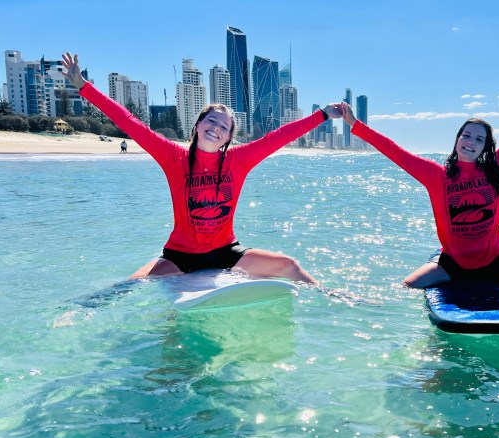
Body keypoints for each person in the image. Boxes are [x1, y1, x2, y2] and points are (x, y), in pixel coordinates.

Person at [62, 52, 342, 285]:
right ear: (197, 125)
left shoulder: (239, 159)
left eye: (223, 127)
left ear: (228, 137)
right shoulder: (174, 157)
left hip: (225, 252)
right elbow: (130, 122)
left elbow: (279, 136)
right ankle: (85, 313)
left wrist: (322, 115)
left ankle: (332, 300)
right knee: (130, 284)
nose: (216, 128)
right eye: (211, 121)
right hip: (179, 255)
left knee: (290, 266)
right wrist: (83, 85)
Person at [341, 65, 499, 297]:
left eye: (478, 139)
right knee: (405, 289)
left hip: (496, 261)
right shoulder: (436, 175)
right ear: (458, 139)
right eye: (466, 135)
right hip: (451, 264)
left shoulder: (495, 168)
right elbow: (396, 152)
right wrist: (355, 125)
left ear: (484, 148)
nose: (470, 141)